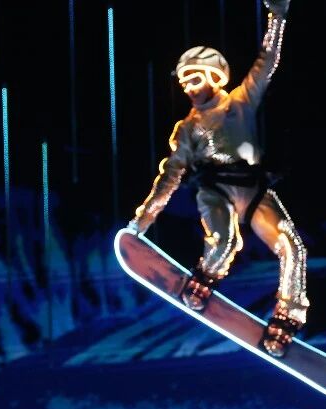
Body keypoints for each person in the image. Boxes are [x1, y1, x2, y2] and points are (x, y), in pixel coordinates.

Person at [128, 0, 307, 357]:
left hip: (253, 187)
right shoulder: (187, 128)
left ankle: (287, 316)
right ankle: (205, 276)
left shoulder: (240, 102)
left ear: (213, 77)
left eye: (195, 79)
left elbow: (267, 61)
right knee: (225, 242)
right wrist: (144, 219)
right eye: (184, 83)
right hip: (216, 190)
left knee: (292, 246)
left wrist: (278, 17)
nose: (189, 88)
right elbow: (170, 175)